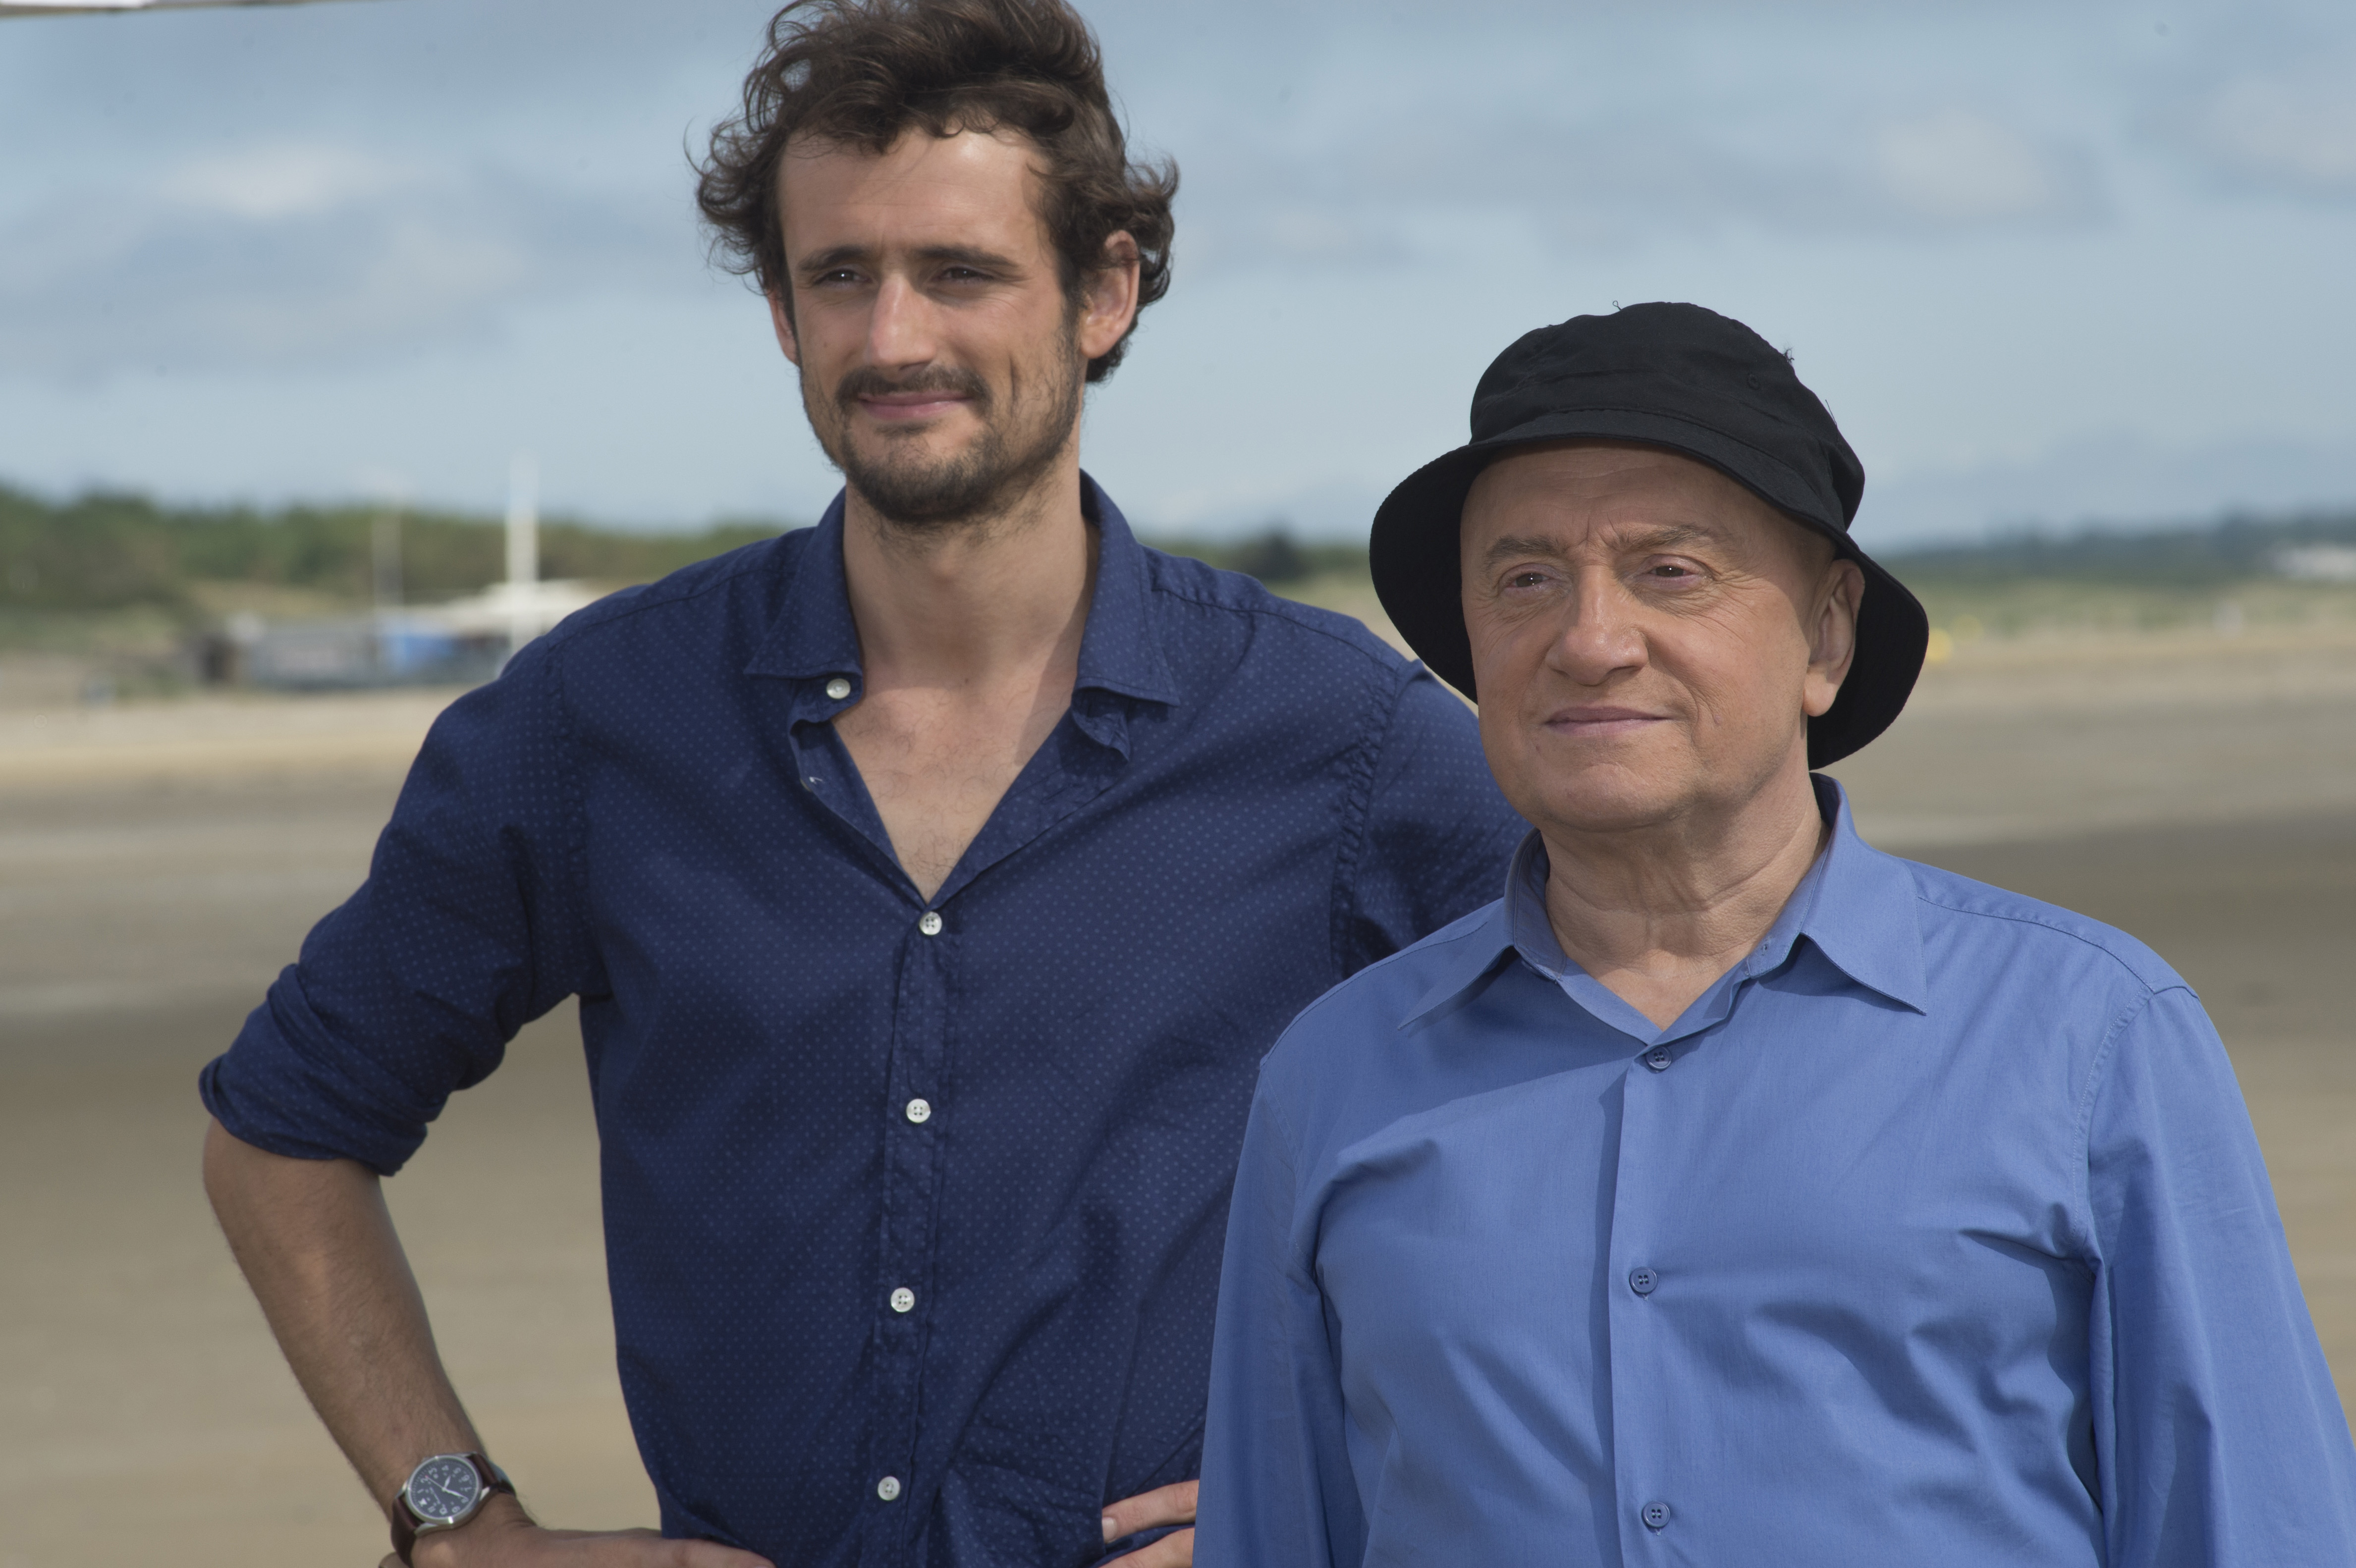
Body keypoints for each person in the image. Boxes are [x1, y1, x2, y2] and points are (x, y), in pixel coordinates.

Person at [197, 4, 1524, 1566]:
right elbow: (282, 1134)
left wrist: (1349, 1483)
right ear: (781, 310)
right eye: (840, 275)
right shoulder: (596, 718)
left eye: (958, 273)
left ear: (1103, 290)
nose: (892, 338)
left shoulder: (1344, 740)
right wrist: (458, 1525)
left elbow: (1612, 1134)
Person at [1193, 302, 2356, 1566]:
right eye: (1524, 578)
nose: (1587, 639)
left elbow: (2252, 1527)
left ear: (1825, 634)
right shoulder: (1332, 1075)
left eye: (1669, 571)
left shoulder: (2090, 1034)